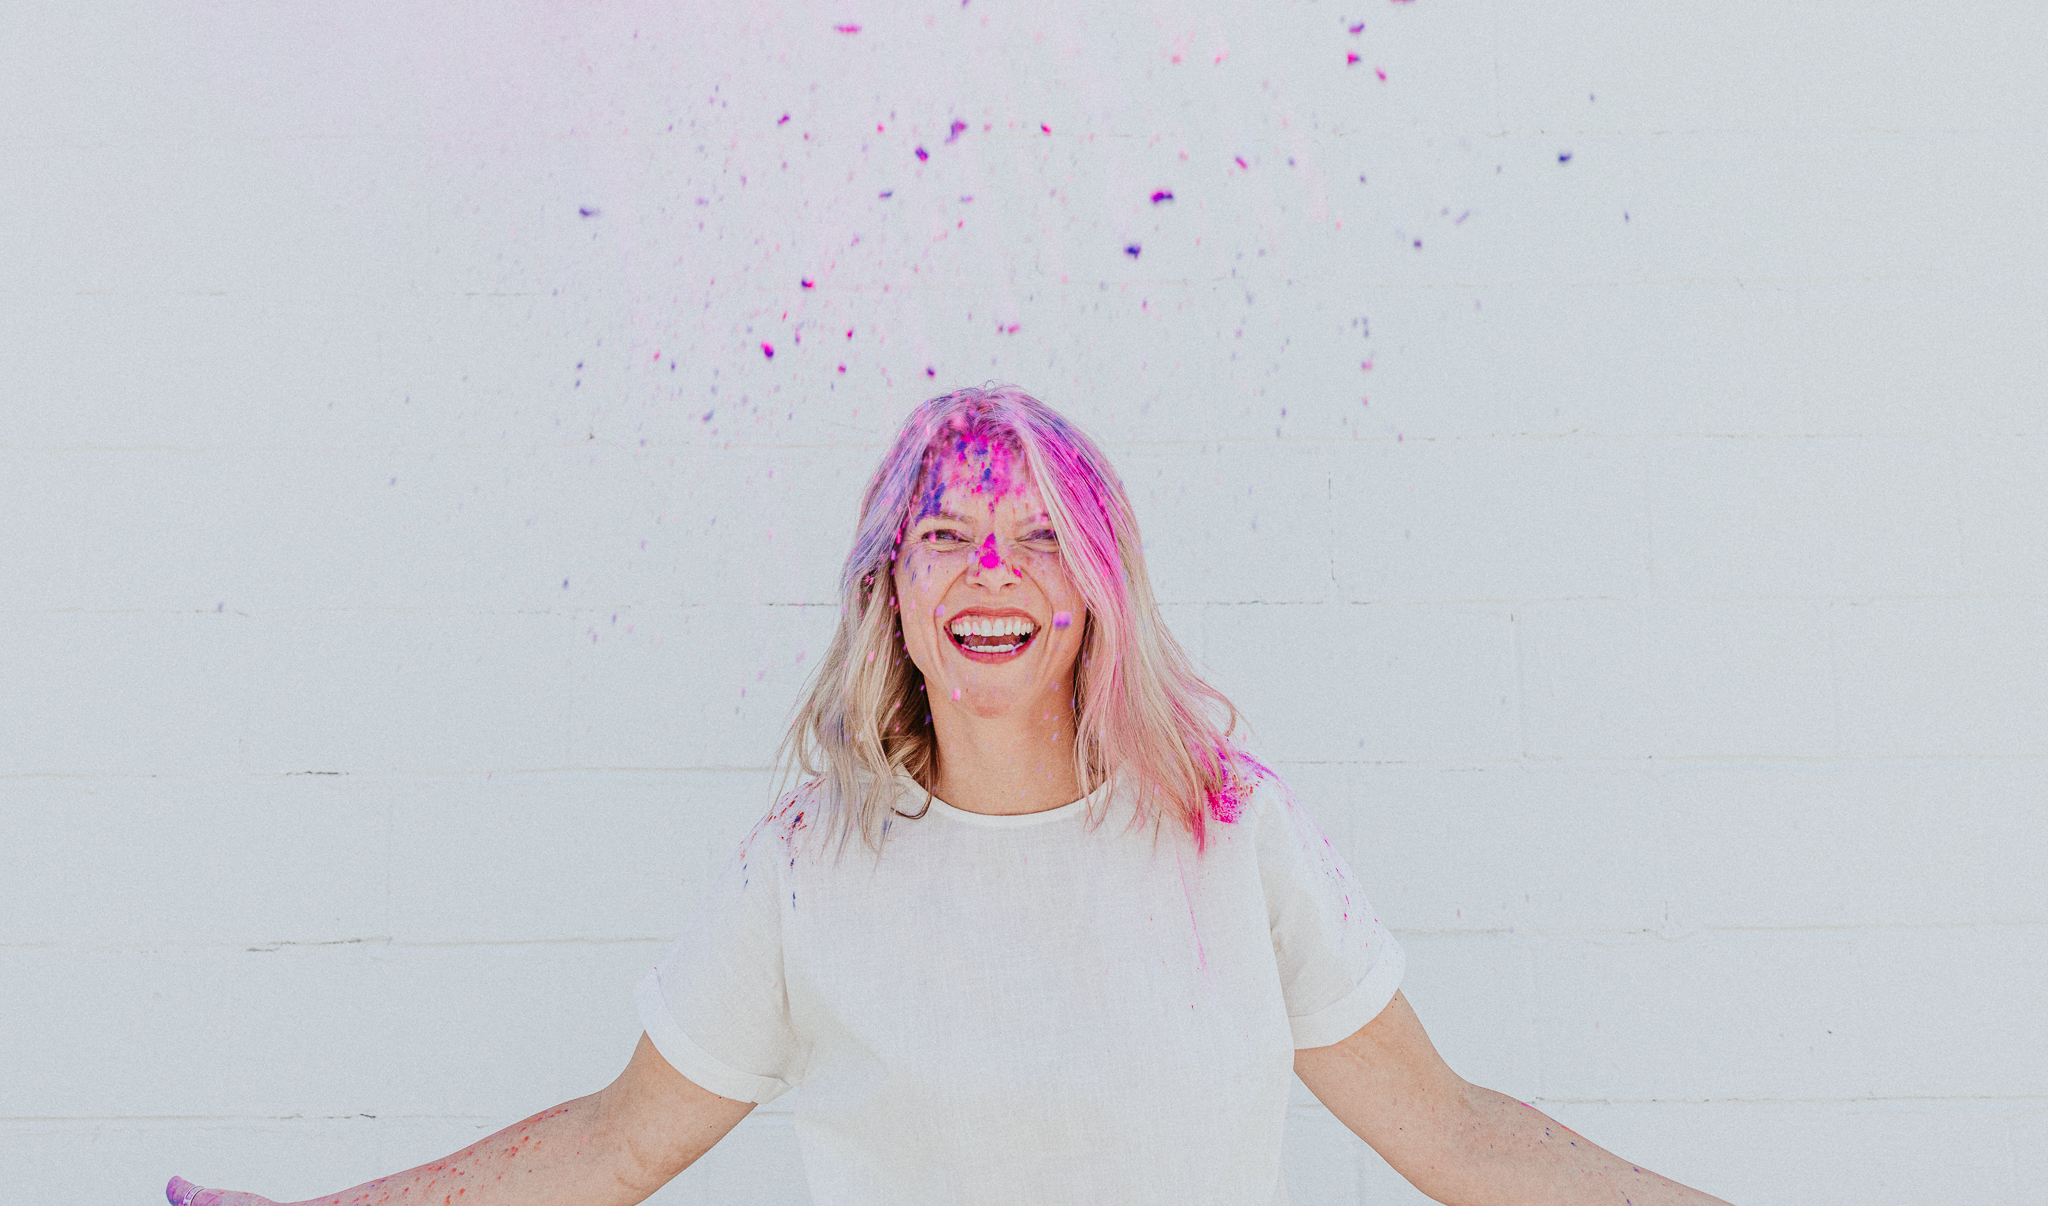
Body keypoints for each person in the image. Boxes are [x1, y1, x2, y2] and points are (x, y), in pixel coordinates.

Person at [167, 386, 1734, 1206]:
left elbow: (1452, 1131)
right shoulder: (808, 865)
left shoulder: (1231, 830)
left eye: (1039, 534)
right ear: (895, 593)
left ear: (1101, 585)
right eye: (949, 536)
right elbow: (610, 1143)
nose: (993, 568)